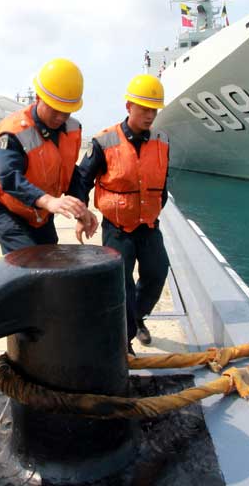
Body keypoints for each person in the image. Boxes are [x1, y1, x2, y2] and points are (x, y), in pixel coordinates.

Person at [70, 74, 170, 353]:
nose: (150, 116)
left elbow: (163, 181)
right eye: (144, 109)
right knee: (120, 285)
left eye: (154, 110)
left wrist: (155, 207)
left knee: (157, 273)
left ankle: (137, 319)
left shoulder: (163, 141)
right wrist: (81, 214)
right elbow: (82, 179)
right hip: (117, 228)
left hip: (149, 226)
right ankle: (123, 341)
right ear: (129, 107)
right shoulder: (104, 142)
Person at [0, 58, 97, 254]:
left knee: (50, 261)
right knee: (28, 264)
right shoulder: (14, 131)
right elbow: (9, 178)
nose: (61, 117)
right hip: (9, 210)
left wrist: (81, 209)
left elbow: (69, 173)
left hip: (41, 214)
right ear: (38, 97)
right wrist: (49, 201)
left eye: (67, 112)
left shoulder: (72, 128)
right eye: (55, 109)